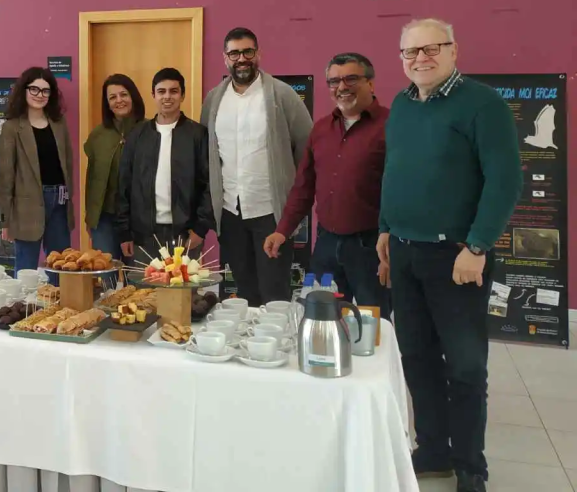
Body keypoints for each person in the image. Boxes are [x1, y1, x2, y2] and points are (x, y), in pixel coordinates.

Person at [379, 19, 521, 492]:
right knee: (417, 358)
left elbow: (505, 181)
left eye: (431, 48)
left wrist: (478, 246)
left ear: (454, 50)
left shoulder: (484, 104)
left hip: (458, 257)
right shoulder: (402, 104)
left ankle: (470, 467)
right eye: (410, 51)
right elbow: (395, 170)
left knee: (464, 367)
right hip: (403, 252)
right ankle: (433, 450)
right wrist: (385, 227)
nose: (420, 58)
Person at [263, 53, 391, 315]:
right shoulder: (321, 129)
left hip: (371, 247)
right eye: (334, 81)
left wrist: (392, 246)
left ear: (370, 83)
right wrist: (282, 230)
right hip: (326, 245)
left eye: (351, 79)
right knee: (321, 317)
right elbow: (304, 186)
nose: (342, 87)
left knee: (373, 322)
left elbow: (403, 190)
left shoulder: (392, 126)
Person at [201, 27, 313, 307]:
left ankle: (277, 335)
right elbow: (207, 153)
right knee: (244, 291)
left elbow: (307, 150)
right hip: (230, 212)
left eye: (248, 51)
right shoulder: (214, 100)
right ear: (225, 58)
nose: (242, 58)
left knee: (274, 293)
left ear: (258, 54)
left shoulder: (282, 95)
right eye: (234, 53)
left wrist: (293, 198)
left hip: (271, 213)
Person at [116, 68, 213, 265]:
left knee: (183, 285)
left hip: (185, 234)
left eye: (173, 91)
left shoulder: (198, 135)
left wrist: (200, 229)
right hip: (143, 235)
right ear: (153, 95)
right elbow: (124, 184)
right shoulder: (137, 135)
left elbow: (209, 184)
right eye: (161, 91)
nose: (167, 96)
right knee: (145, 286)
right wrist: (124, 231)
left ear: (182, 95)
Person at [0, 67, 73, 279]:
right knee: (26, 271)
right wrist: (6, 220)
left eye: (45, 91)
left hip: (59, 202)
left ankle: (59, 301)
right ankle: (25, 303)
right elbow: (5, 177)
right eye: (34, 89)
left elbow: (68, 165)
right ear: (24, 90)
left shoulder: (59, 124)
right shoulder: (12, 127)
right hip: (26, 207)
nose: (40, 95)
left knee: (61, 266)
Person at [84, 74, 146, 266]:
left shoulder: (150, 131)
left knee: (137, 275)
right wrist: (90, 217)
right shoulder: (98, 135)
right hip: (104, 218)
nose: (119, 100)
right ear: (107, 104)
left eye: (123, 94)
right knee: (105, 274)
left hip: (139, 219)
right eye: (112, 97)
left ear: (133, 96)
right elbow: (92, 178)